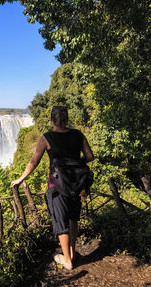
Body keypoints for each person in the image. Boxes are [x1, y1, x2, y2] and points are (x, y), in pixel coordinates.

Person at [10, 106, 94, 270]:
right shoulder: (78, 134)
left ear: (51, 120)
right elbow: (90, 156)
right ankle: (72, 252)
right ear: (67, 119)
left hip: (57, 186)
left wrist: (21, 178)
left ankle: (67, 261)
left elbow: (34, 162)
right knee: (73, 219)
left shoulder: (46, 138)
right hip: (76, 184)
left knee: (60, 221)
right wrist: (76, 163)